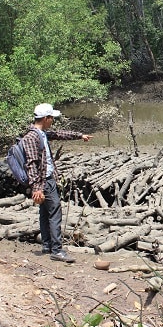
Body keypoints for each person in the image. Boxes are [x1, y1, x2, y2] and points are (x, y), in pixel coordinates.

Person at [22, 103, 93, 263]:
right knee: (55, 213)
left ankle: (47, 246)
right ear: (46, 118)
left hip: (47, 180)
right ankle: (57, 250)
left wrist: (79, 135)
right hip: (43, 182)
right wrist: (36, 188)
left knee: (45, 212)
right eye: (51, 118)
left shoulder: (41, 133)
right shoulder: (32, 137)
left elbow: (59, 134)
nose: (53, 121)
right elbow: (31, 164)